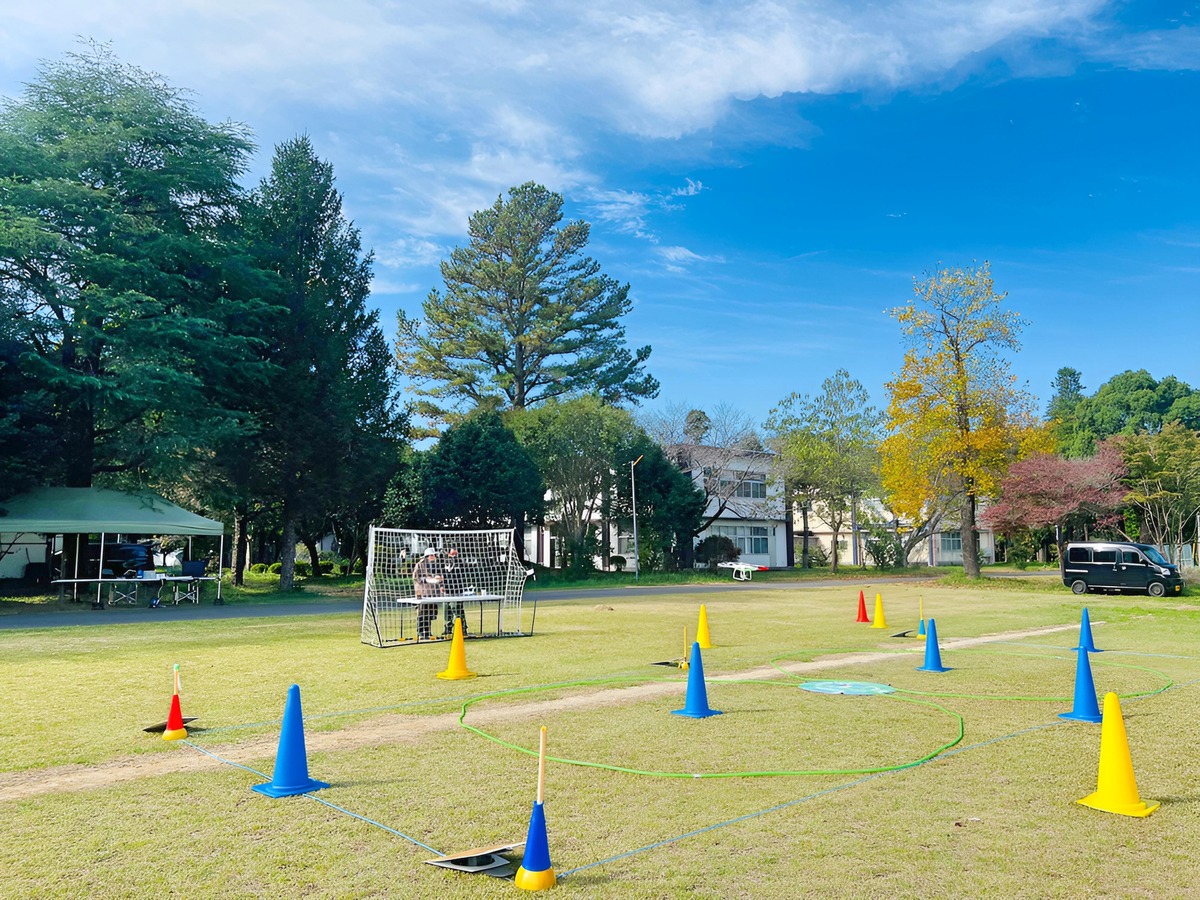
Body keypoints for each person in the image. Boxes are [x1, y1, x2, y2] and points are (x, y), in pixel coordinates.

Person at [412, 547, 443, 640]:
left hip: (433, 593)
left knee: (430, 613)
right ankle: (421, 632)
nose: (433, 557)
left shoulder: (437, 565)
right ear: (427, 556)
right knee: (422, 613)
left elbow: (440, 574)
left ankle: (428, 632)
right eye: (431, 555)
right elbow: (415, 577)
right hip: (423, 592)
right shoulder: (420, 565)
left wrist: (439, 580)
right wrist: (425, 579)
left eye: (434, 555)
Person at [442, 548, 468, 636]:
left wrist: (455, 558)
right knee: (447, 610)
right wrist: (442, 585)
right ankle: (448, 627)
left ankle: (462, 628)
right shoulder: (444, 563)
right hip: (447, 591)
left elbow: (463, 574)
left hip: (457, 590)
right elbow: (442, 574)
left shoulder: (459, 563)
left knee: (457, 609)